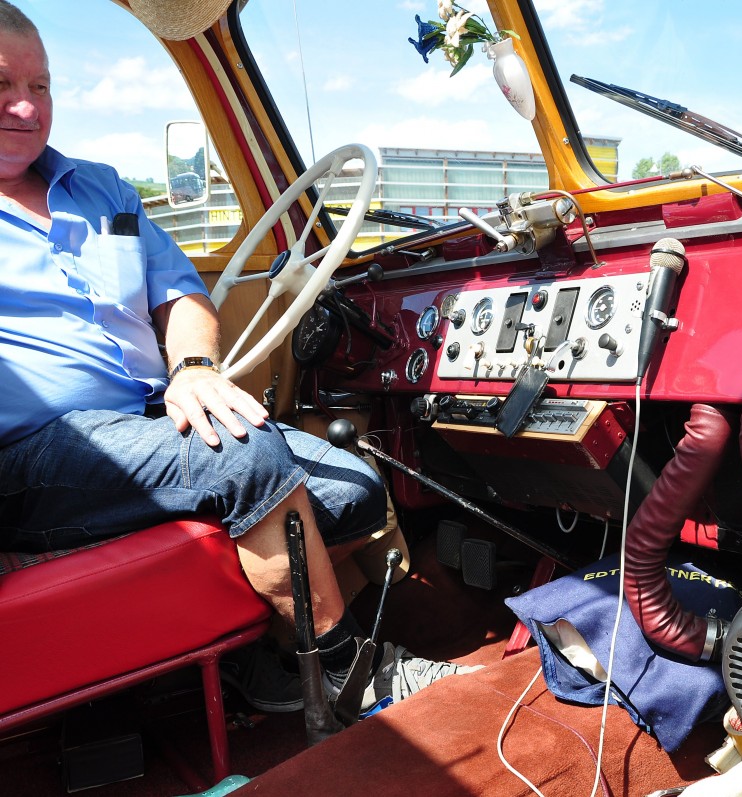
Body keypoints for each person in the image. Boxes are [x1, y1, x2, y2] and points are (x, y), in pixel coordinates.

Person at [0, 1, 470, 714]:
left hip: (143, 417)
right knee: (243, 456)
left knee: (353, 489)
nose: (27, 108)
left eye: (42, 87)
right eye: (5, 86)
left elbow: (181, 295)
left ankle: (257, 666)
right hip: (34, 454)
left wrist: (192, 369)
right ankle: (356, 681)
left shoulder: (102, 187)